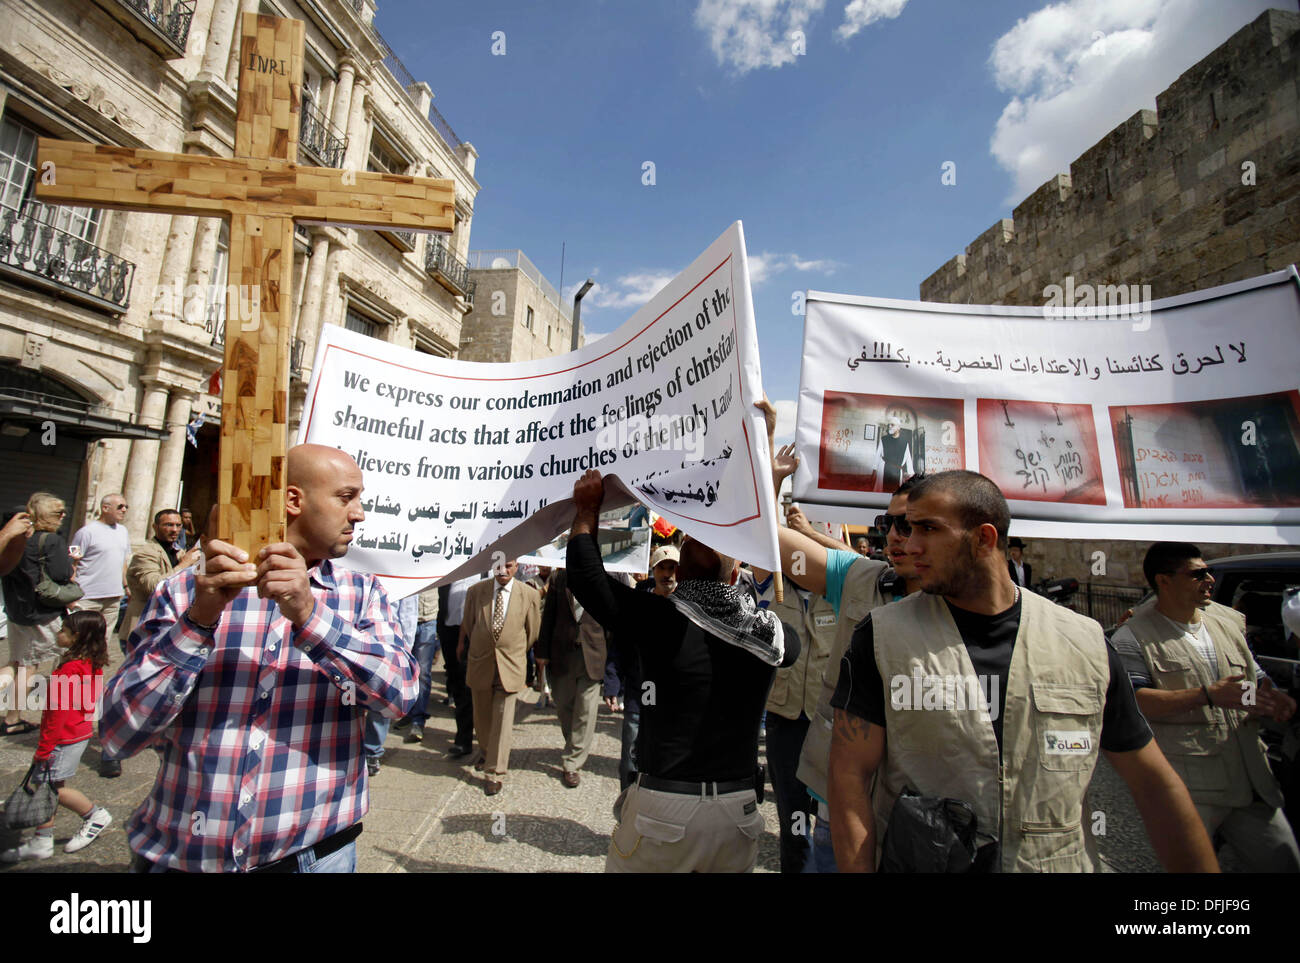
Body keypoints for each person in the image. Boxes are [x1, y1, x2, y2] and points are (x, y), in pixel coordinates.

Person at [828, 470, 1219, 872]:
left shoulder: (1084, 643)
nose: (909, 545)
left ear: (984, 538)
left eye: (927, 529)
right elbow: (849, 776)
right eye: (908, 529)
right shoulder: (881, 638)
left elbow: (1153, 785)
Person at [99, 444, 418, 873]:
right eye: (347, 497)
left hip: (312, 858)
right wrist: (198, 621)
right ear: (293, 500)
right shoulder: (182, 594)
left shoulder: (362, 595)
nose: (359, 514)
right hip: (182, 857)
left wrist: (309, 614)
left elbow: (399, 697)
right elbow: (118, 733)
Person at [566, 469, 800, 873]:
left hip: (664, 809)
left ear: (679, 575)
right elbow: (788, 643)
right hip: (737, 812)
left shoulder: (656, 619)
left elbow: (586, 579)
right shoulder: (772, 637)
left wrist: (588, 509)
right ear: (733, 577)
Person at [1109, 542, 1300, 872]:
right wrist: (1205, 696)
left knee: (1284, 861)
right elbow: (1135, 702)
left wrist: (1270, 699)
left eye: (1208, 571)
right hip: (1191, 786)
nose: (1209, 579)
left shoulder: (1226, 622)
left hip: (1251, 778)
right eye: (1197, 573)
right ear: (1164, 581)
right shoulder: (1133, 636)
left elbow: (1250, 674)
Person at [1, 610, 112, 863]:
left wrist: (44, 747)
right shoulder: (91, 663)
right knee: (48, 786)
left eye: (63, 630)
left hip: (64, 737)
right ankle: (42, 838)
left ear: (76, 637)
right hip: (78, 733)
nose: (58, 634)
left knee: (51, 788)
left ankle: (95, 815)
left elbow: (56, 714)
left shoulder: (68, 671)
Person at [457, 559, 541, 795]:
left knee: (503, 719)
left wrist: (512, 650)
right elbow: (470, 624)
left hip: (511, 665)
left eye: (509, 565)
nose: (503, 570)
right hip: (481, 662)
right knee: (482, 717)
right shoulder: (476, 592)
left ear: (517, 568)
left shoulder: (529, 595)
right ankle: (486, 752)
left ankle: (495, 772)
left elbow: (532, 631)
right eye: (499, 566)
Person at [2, 493, 73, 737]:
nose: (63, 516)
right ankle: (15, 718)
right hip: (43, 613)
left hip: (16, 610)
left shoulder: (17, 538)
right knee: (35, 665)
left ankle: (13, 716)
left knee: (19, 662)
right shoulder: (51, 541)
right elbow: (62, 574)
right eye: (58, 513)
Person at [536, 566, 609, 787]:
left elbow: (610, 617)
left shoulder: (602, 577)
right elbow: (548, 614)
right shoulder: (559, 577)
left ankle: (572, 763)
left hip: (592, 655)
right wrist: (542, 652)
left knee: (586, 711)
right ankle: (573, 745)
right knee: (564, 707)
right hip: (562, 656)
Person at [119, 509, 202, 648]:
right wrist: (184, 564)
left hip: (166, 628)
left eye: (178, 525)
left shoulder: (177, 552)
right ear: (155, 527)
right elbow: (154, 587)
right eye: (168, 525)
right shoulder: (145, 553)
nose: (174, 530)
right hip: (142, 628)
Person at [364, 592, 417, 776]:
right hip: (355, 640)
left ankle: (372, 751)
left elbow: (408, 612)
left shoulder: (397, 573)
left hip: (384, 646)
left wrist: (405, 651)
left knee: (378, 700)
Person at [69, 494, 131, 623]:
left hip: (113, 598)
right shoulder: (86, 532)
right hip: (87, 597)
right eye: (120, 507)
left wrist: (126, 586)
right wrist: (71, 595)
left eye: (126, 507)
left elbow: (123, 562)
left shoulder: (123, 531)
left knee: (104, 641)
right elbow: (73, 563)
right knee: (82, 639)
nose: (124, 510)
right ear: (105, 508)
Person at [439, 573, 480, 757]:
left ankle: (475, 737)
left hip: (476, 635)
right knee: (458, 685)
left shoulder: (486, 573)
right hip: (449, 632)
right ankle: (463, 737)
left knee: (473, 686)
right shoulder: (449, 570)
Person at [395, 585, 441, 744]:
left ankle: (418, 720)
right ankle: (406, 711)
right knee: (404, 671)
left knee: (422, 672)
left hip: (427, 618)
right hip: (403, 618)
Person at [875, 416, 913, 491]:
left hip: (897, 472)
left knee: (894, 492)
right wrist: (874, 468)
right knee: (882, 491)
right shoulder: (884, 439)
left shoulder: (904, 443)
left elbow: (908, 459)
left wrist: (911, 473)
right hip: (883, 470)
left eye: (892, 425)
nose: (889, 426)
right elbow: (878, 455)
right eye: (889, 425)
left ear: (898, 427)